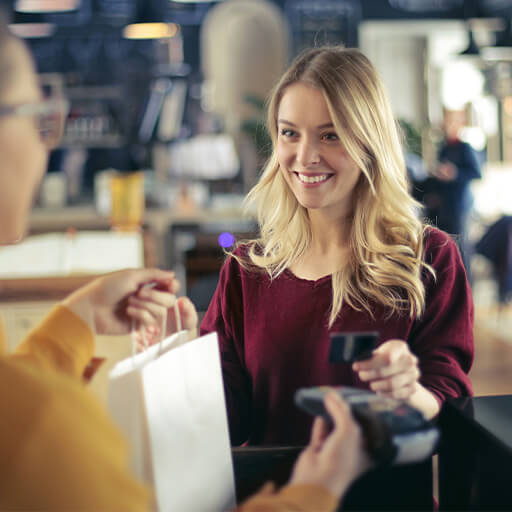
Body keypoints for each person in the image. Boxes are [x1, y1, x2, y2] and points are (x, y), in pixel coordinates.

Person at [0, 18, 370, 511]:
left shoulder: (430, 260)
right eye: (37, 115)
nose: (46, 141)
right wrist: (314, 494)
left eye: (330, 135)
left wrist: (78, 318)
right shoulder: (41, 420)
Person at [201, 46, 475, 446]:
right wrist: (172, 367)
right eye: (289, 133)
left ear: (369, 141)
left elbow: (450, 406)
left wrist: (408, 392)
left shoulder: (428, 259)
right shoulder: (247, 271)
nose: (305, 156)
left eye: (331, 135)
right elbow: (227, 422)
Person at [424, 107, 482, 274]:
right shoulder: (443, 148)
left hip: (459, 207)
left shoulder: (465, 148)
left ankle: (466, 286)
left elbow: (476, 173)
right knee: (446, 247)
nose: (447, 125)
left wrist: (455, 174)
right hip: (444, 207)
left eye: (451, 121)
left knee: (462, 248)